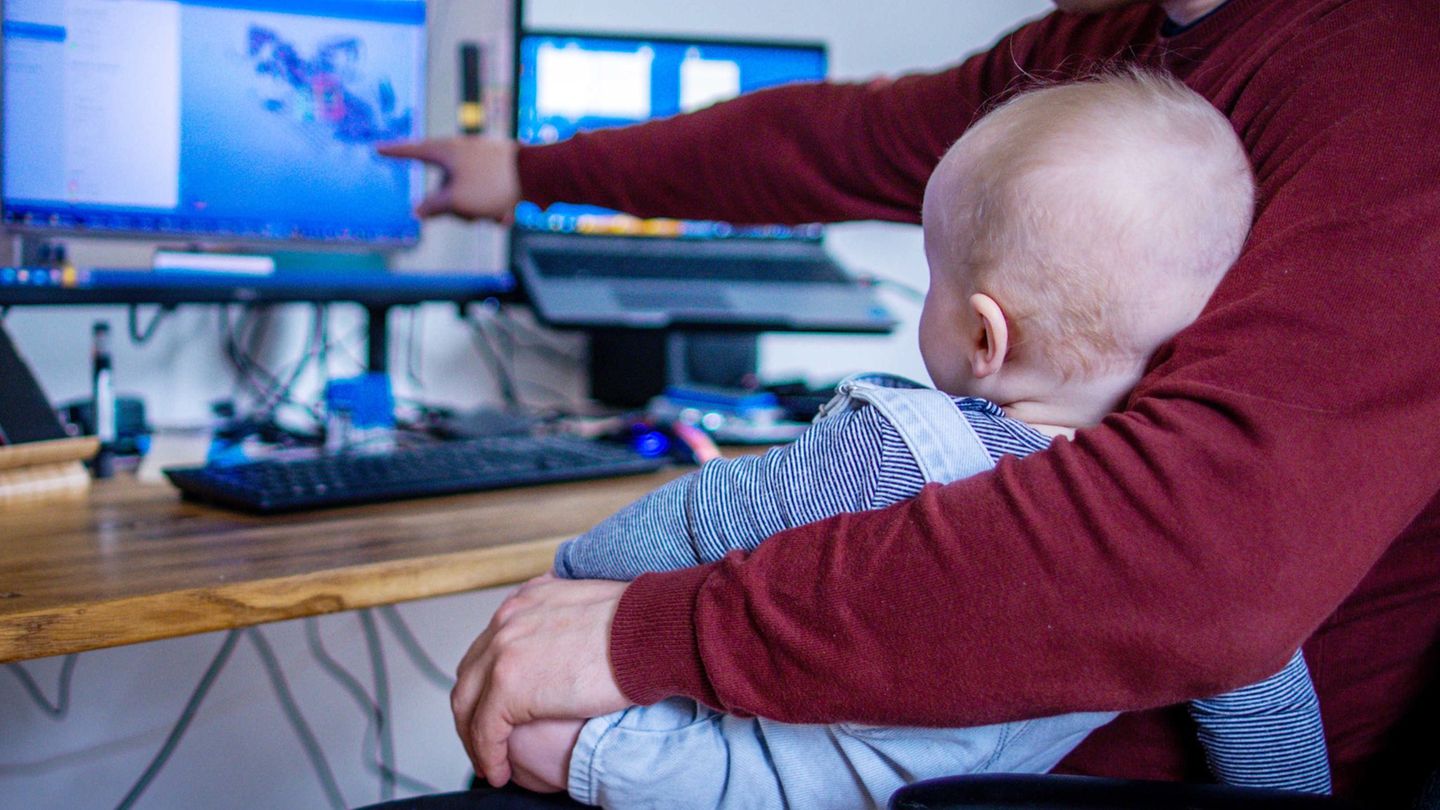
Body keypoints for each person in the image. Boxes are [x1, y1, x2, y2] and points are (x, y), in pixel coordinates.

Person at [383, 0, 1440, 803]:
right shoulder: (1104, 49)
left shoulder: (1395, 76)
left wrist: (630, 619)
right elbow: (831, 143)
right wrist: (530, 170)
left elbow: (1206, 565)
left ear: (981, 336)